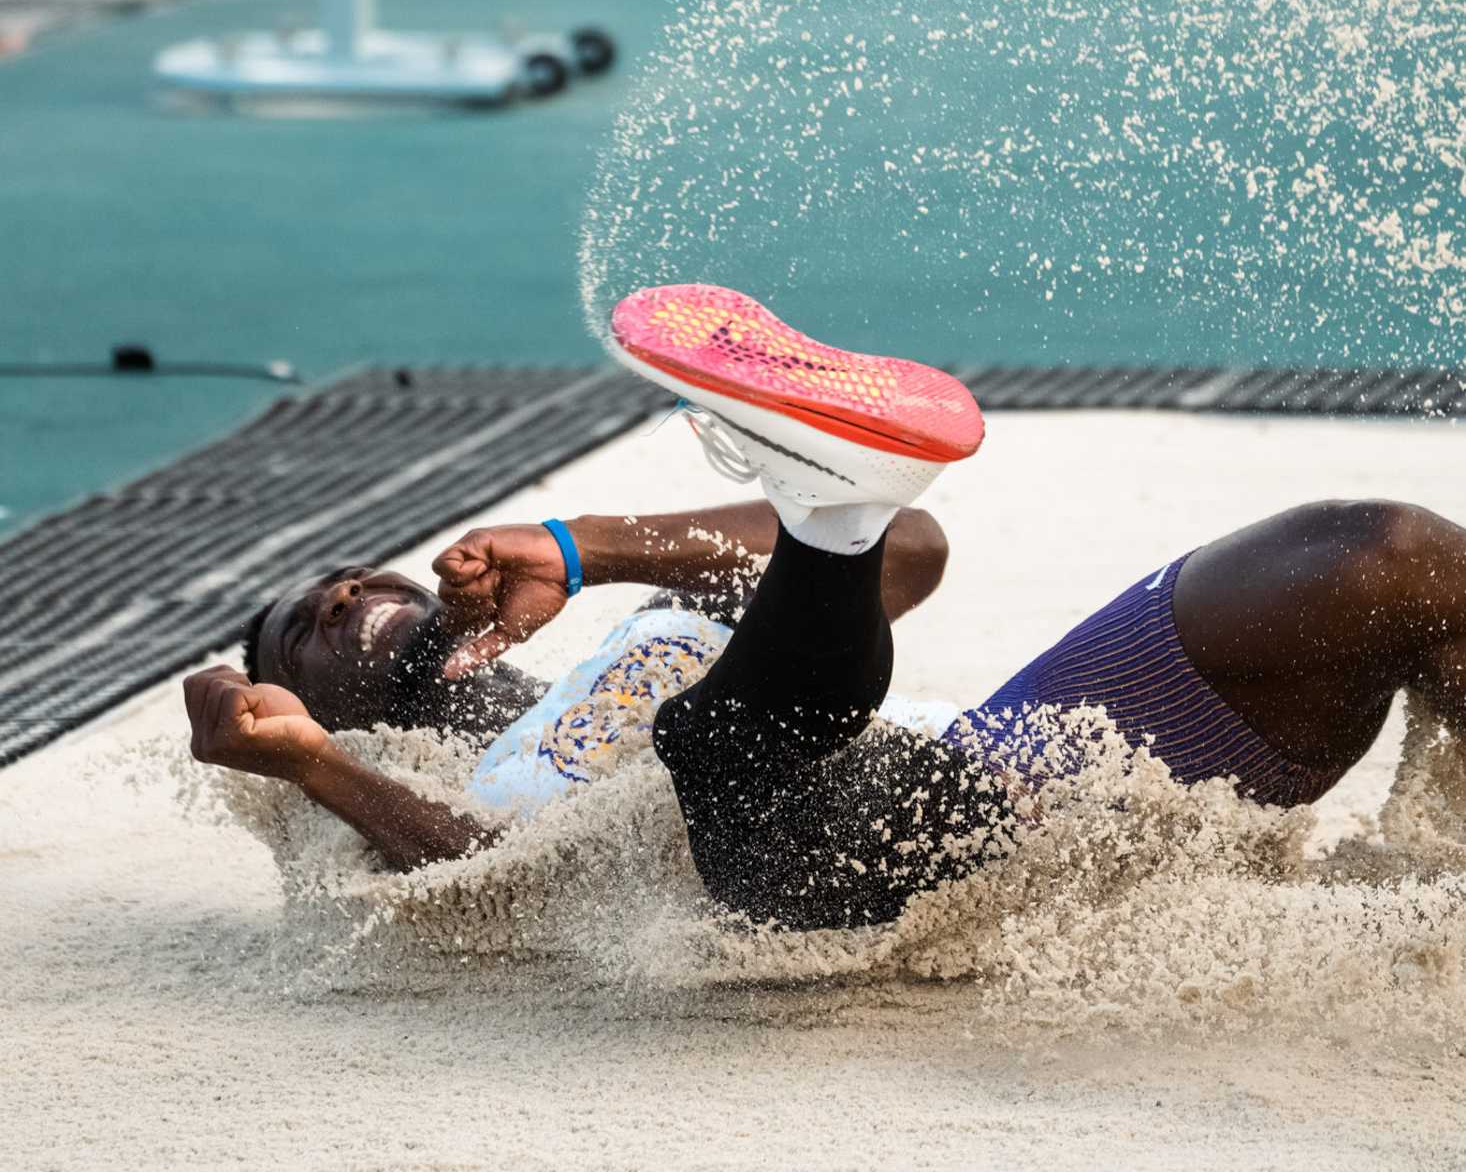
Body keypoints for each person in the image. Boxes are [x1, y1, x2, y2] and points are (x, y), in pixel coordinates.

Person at [185, 283, 1466, 931]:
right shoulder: (398, 790)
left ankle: (825, 507)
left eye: (365, 575)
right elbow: (488, 889)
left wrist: (583, 549)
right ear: (322, 703)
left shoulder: (634, 646)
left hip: (1010, 770)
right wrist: (301, 761)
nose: (350, 588)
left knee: (1375, 552)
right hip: (824, 877)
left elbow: (914, 548)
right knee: (714, 745)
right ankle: (820, 506)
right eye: (310, 622)